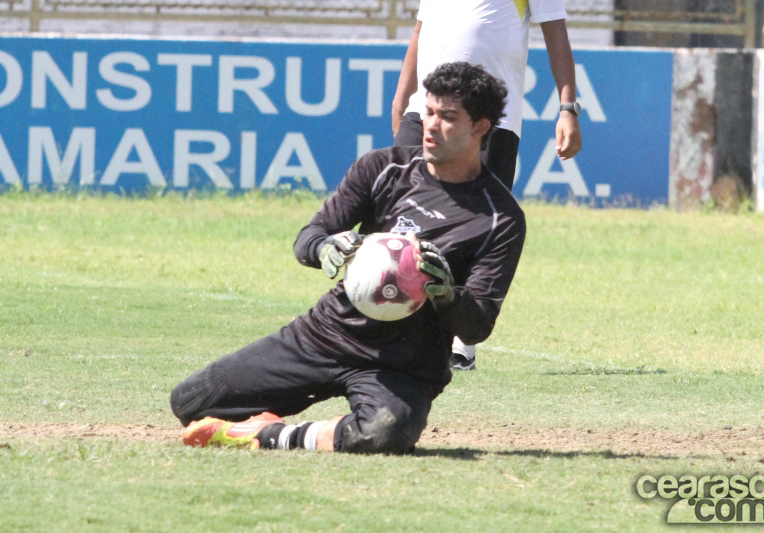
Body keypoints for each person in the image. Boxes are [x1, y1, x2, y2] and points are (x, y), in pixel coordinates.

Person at [171, 62, 526, 455]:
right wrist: (324, 247)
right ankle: (277, 422)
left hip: (401, 364)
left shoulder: (500, 219)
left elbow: (477, 325)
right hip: (328, 333)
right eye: (428, 112)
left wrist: (446, 294)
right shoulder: (382, 167)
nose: (430, 125)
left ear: (480, 127)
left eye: (447, 117)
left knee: (384, 434)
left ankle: (264, 436)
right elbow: (309, 236)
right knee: (190, 403)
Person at [392, 0, 583, 370]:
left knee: (478, 226)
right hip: (425, 110)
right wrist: (403, 96)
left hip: (490, 119)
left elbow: (556, 35)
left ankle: (462, 344)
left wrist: (567, 109)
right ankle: (391, 323)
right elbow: (421, 30)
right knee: (399, 210)